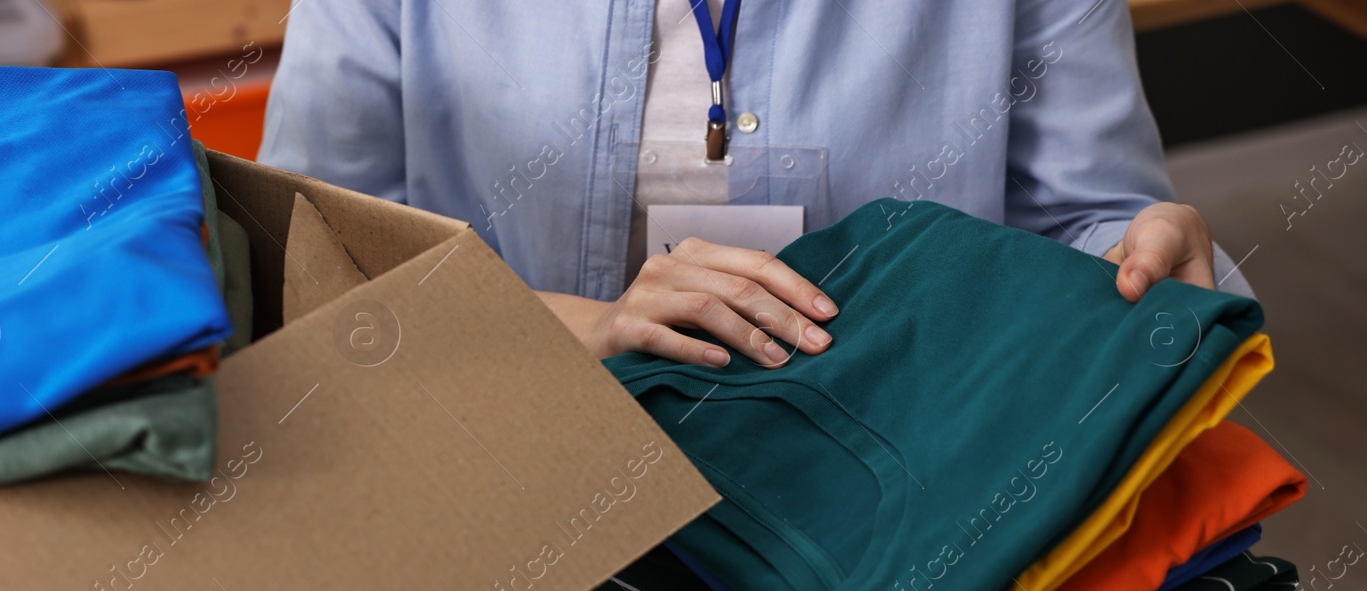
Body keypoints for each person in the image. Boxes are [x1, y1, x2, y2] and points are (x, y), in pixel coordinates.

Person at [260, 0, 1248, 368]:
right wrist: (564, 332)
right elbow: (303, 258)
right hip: (509, 469)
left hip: (889, 500)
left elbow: (1091, 218)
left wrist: (1140, 266)